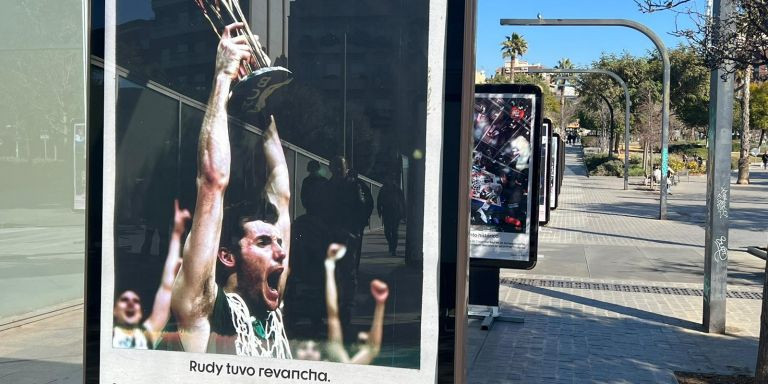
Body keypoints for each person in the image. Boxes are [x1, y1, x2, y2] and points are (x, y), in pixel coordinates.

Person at [168, 23, 293, 358]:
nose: (280, 251)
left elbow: (281, 187)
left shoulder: (267, 305)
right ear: (227, 256)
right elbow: (212, 184)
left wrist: (262, 103)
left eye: (278, 241)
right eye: (264, 243)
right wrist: (223, 76)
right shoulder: (203, 309)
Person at [113, 199, 190, 349]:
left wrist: (176, 233)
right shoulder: (106, 340)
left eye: (136, 301)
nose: (131, 303)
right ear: (114, 310)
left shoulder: (144, 338)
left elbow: (166, 289)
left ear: (141, 314)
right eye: (124, 300)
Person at [377, 177, 406, 256]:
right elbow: (379, 201)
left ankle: (393, 248)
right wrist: (379, 211)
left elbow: (402, 202)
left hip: (396, 213)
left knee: (394, 231)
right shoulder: (383, 189)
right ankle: (391, 244)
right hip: (387, 213)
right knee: (387, 231)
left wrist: (403, 214)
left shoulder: (397, 190)